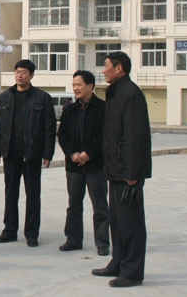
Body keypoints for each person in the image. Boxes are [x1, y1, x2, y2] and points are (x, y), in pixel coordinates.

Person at [92, 52, 152, 288]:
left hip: (128, 173)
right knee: (117, 222)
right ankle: (117, 263)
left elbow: (135, 136)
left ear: (118, 68)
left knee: (131, 224)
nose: (103, 70)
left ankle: (132, 272)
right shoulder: (116, 92)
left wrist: (132, 173)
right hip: (115, 170)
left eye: (106, 66)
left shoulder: (131, 94)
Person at [0, 59, 56, 247]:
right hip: (10, 154)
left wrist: (48, 153)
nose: (20, 75)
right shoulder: (5, 97)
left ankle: (32, 233)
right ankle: (10, 230)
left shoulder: (42, 98)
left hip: (32, 155)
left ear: (31, 75)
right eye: (18, 72)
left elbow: (49, 128)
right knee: (10, 193)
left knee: (33, 195)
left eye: (24, 72)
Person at [56, 70, 109, 256]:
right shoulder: (69, 109)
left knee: (100, 207)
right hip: (74, 167)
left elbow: (105, 135)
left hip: (96, 166)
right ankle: (73, 239)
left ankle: (102, 243)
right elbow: (62, 135)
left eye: (79, 85)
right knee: (74, 206)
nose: (75, 88)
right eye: (74, 85)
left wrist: (89, 154)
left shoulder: (103, 108)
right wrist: (72, 154)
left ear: (90, 86)